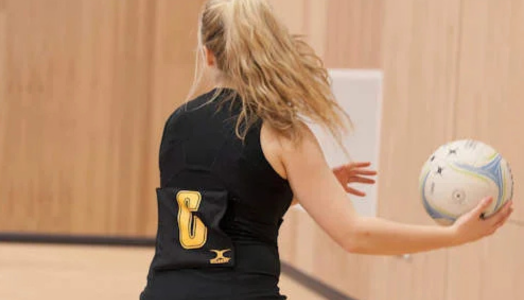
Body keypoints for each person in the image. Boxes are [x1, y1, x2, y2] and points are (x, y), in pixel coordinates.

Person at [139, 0, 514, 299]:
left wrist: (293, 190)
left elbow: (210, 216)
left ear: (208, 55)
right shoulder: (283, 131)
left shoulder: (177, 123)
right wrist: (454, 237)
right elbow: (354, 235)